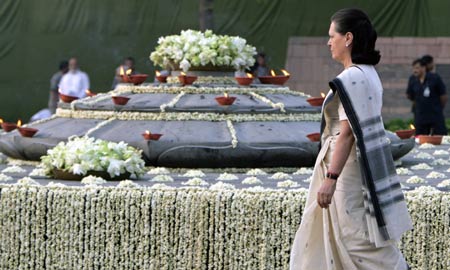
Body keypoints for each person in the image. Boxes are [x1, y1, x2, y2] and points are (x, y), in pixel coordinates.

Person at [290, 8, 412, 270]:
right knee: (346, 232)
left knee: (354, 236)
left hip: (345, 168)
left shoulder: (353, 77)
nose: (328, 42)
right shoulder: (367, 72)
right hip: (350, 165)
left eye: (331, 36)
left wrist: (331, 179)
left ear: (348, 38)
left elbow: (347, 133)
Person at [406, 58, 447, 135]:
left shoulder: (435, 78)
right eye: (413, 68)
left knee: (440, 139)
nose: (415, 70)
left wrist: (438, 107)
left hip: (435, 115)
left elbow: (443, 96)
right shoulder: (412, 79)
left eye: (417, 68)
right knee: (420, 141)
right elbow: (409, 95)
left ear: (424, 68)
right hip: (420, 116)